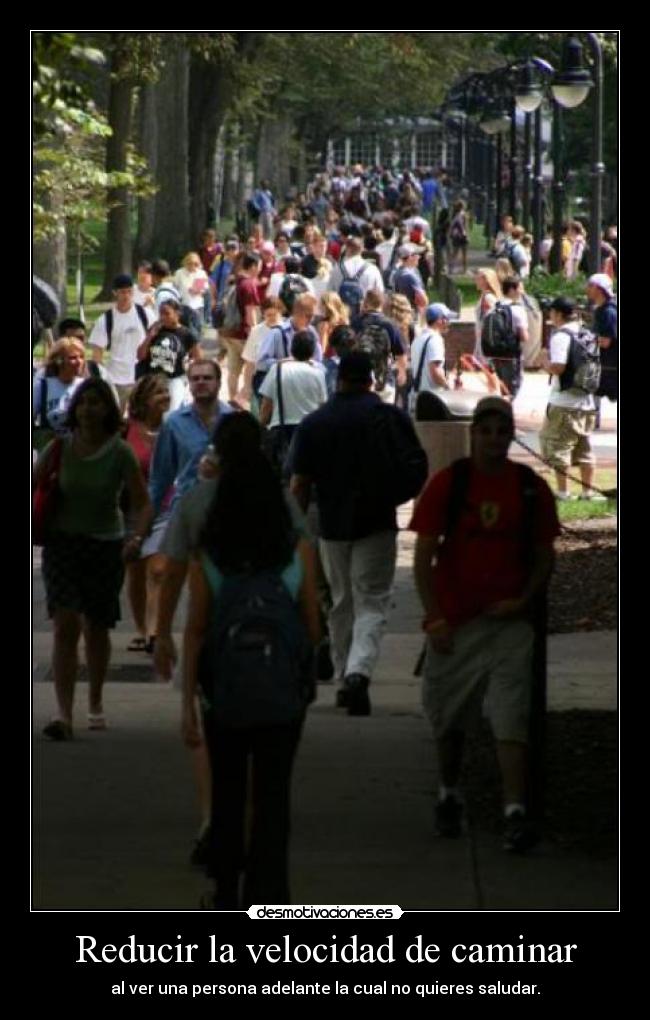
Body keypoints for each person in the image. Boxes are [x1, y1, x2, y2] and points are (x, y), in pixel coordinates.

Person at [180, 412, 320, 908]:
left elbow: (195, 632)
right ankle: (271, 890)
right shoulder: (295, 552)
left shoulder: (209, 559)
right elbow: (311, 622)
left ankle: (226, 889)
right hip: (282, 693)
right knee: (273, 797)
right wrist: (306, 673)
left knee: (229, 789)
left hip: (226, 693)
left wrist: (187, 704)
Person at [411, 396, 560, 852]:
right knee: (450, 717)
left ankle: (514, 810)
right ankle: (449, 793)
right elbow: (422, 556)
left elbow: (543, 556)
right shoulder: (448, 485)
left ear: (511, 434)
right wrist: (434, 616)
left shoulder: (531, 489)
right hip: (455, 624)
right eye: (486, 430)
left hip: (509, 625)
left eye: (502, 430)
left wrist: (523, 600)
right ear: (473, 434)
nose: (494, 439)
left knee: (510, 718)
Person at [290, 352, 426, 716]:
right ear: (371, 378)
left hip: (332, 523)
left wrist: (294, 529)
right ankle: (358, 672)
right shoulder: (389, 417)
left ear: (339, 379)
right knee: (373, 600)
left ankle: (343, 671)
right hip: (378, 519)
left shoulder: (316, 422)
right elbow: (417, 468)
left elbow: (300, 483)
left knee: (340, 600)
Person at [37, 379, 152, 740]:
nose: (88, 409)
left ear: (108, 410)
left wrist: (136, 537)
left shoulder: (120, 452)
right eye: (83, 402)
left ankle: (96, 701)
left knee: (97, 626)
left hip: (105, 546)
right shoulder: (59, 447)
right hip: (63, 544)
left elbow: (141, 502)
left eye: (96, 402)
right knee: (65, 623)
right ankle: (63, 714)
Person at [123, 374, 173, 653]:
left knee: (158, 570)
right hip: (131, 509)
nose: (165, 396)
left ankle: (155, 629)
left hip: (164, 509)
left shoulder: (174, 428)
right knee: (136, 573)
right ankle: (143, 629)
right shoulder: (126, 430)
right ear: (143, 400)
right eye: (158, 393)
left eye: (166, 392)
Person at [538, 297, 605, 502]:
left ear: (558, 314)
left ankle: (563, 492)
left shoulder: (561, 336)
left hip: (563, 402)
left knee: (558, 447)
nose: (550, 317)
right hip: (586, 401)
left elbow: (558, 367)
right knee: (584, 449)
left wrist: (544, 362)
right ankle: (587, 492)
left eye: (551, 313)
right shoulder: (587, 333)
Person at [259, 331, 328, 475]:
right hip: (310, 431)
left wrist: (260, 427)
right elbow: (322, 407)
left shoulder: (277, 369)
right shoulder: (318, 373)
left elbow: (267, 405)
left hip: (281, 430)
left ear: (292, 348)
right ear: (312, 351)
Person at [33, 337, 117, 449]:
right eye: (73, 358)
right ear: (59, 361)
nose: (79, 362)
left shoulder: (86, 386)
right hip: (51, 451)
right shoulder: (42, 387)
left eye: (82, 357)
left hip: (81, 449)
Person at [89, 274, 155, 412]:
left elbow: (156, 340)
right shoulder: (105, 319)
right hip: (116, 379)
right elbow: (97, 354)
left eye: (129, 291)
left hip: (141, 377)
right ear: (115, 293)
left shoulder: (145, 314)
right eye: (122, 292)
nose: (126, 296)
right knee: (115, 419)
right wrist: (101, 381)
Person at [136, 298, 202, 410]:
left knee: (171, 411)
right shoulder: (155, 330)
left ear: (177, 314)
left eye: (167, 314)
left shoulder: (186, 334)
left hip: (174, 379)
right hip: (153, 379)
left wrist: (189, 370)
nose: (163, 317)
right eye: (161, 313)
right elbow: (140, 356)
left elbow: (199, 359)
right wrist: (149, 337)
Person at [351, 289, 408, 403]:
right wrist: (402, 372)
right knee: (385, 418)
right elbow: (401, 353)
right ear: (382, 304)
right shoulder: (390, 324)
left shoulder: (356, 322)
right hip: (385, 379)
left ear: (366, 302)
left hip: (361, 380)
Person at [223, 252, 262, 403]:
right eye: (258, 267)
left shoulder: (235, 281)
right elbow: (250, 311)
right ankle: (245, 399)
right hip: (244, 334)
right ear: (252, 266)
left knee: (233, 370)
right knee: (251, 367)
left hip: (230, 332)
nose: (259, 270)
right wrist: (255, 333)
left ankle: (232, 398)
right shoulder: (249, 284)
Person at [484, 275, 529, 399]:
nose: (523, 291)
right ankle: (506, 414)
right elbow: (524, 336)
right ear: (512, 290)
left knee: (498, 388)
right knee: (511, 390)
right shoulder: (518, 310)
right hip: (511, 356)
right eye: (520, 288)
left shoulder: (494, 307)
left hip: (493, 354)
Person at [409, 303, 455, 411]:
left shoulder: (418, 339)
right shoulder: (435, 339)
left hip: (417, 397)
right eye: (447, 319)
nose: (449, 322)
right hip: (431, 399)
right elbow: (435, 371)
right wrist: (449, 387)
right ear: (440, 320)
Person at [587, 272, 618, 405]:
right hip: (604, 365)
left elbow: (606, 342)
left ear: (598, 289)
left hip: (610, 366)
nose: (587, 288)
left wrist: (586, 340)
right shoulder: (602, 309)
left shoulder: (608, 312)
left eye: (590, 285)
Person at [174, 252, 210, 335]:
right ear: (186, 263)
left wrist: (198, 291)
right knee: (184, 331)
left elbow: (205, 289)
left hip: (197, 306)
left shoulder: (201, 273)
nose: (192, 266)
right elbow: (175, 287)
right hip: (184, 305)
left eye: (195, 264)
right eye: (190, 264)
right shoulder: (179, 273)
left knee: (197, 331)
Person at [473, 268, 502, 362]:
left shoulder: (488, 298)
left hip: (486, 340)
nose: (475, 279)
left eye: (478, 277)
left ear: (486, 280)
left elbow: (491, 320)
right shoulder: (486, 297)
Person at [393, 243, 428, 320]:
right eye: (416, 255)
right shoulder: (410, 275)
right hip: (412, 316)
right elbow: (423, 301)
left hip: (400, 314)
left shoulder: (397, 272)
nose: (419, 257)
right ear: (409, 257)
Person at [448, 200, 469, 274]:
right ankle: (465, 269)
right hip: (463, 236)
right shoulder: (464, 215)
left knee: (454, 253)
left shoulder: (455, 215)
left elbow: (452, 226)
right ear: (462, 207)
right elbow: (465, 226)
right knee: (464, 254)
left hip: (456, 236)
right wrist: (466, 234)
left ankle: (451, 268)